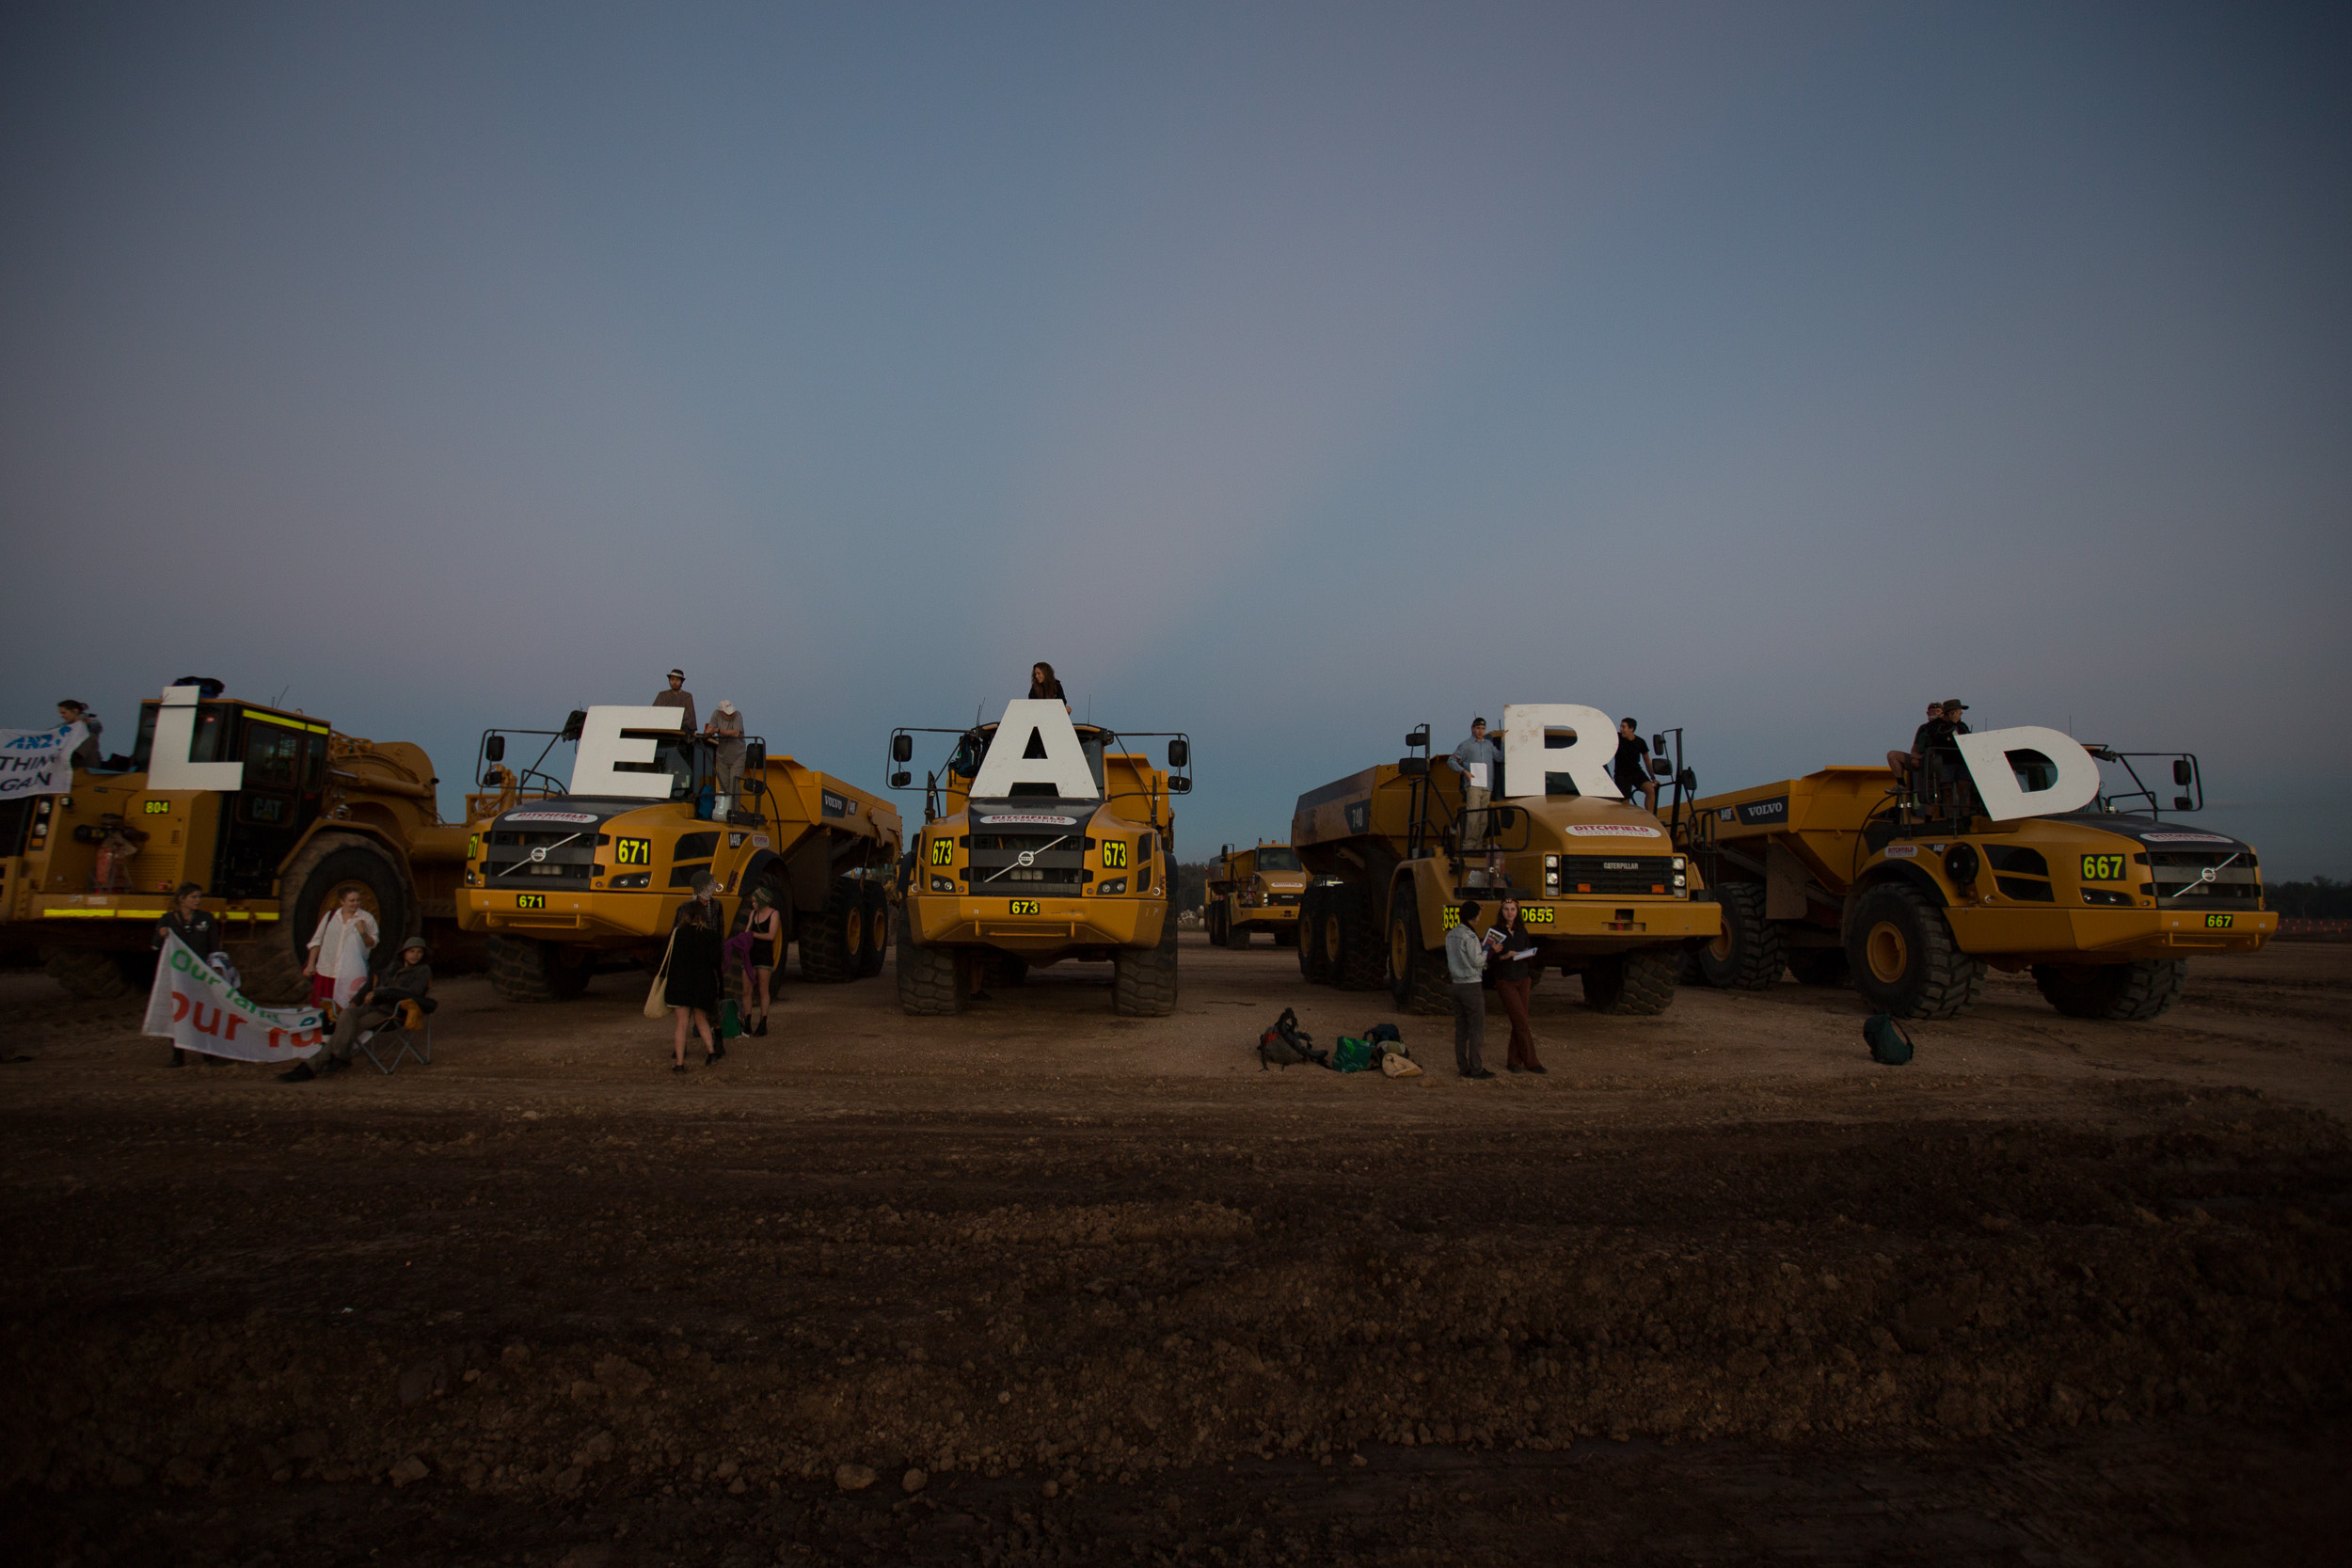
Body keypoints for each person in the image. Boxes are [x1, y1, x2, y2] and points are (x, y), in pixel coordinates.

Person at [278, 936, 433, 1082]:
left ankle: (311, 1066)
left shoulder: (423, 970)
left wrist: (378, 993)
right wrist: (355, 1001)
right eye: (412, 951)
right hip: (373, 1006)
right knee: (347, 1013)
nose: (415, 955)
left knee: (349, 1027)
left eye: (419, 952)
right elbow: (370, 986)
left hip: (392, 1011)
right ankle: (339, 1058)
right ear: (404, 953)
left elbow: (412, 993)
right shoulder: (393, 967)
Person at [153, 882, 222, 1068]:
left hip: (200, 974)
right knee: (178, 1012)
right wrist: (162, 935)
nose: (198, 901)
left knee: (203, 1012)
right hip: (177, 976)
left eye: (199, 897)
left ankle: (208, 1053)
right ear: (181, 899)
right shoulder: (167, 919)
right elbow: (156, 945)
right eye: (194, 897)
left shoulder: (206, 919)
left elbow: (214, 947)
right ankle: (178, 1056)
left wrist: (216, 967)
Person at [665, 897, 724, 1071]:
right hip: (702, 984)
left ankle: (680, 1064)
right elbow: (716, 961)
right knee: (701, 1019)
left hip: (680, 984)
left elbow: (667, 958)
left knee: (681, 1024)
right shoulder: (710, 936)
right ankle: (711, 1053)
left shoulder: (678, 935)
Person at [1488, 895, 1545, 1073]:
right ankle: (1532, 1062)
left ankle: (1513, 1061)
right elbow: (1488, 958)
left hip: (1523, 978)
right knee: (1520, 1021)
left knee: (1519, 1020)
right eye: (1506, 909)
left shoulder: (1522, 930)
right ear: (1501, 911)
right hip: (1506, 980)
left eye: (1513, 909)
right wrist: (1505, 956)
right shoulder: (1495, 932)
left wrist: (1527, 954)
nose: (1510, 912)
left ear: (1517, 911)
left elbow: (1527, 948)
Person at [303, 888, 378, 1013]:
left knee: (344, 1010)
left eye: (358, 900)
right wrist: (310, 965)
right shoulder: (330, 916)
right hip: (326, 971)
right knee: (322, 1010)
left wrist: (362, 932)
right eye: (351, 900)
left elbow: (373, 943)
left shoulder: (366, 918)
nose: (356, 903)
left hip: (349, 974)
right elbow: (317, 940)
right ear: (342, 902)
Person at [1446, 899, 1496, 1079]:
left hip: (1456, 984)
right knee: (1476, 1028)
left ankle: (1463, 1067)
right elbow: (1477, 961)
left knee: (1461, 1029)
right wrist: (1490, 950)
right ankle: (1476, 1068)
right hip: (1471, 985)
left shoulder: (1451, 935)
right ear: (1474, 917)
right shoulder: (1470, 936)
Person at [1449, 718, 1502, 851]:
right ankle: (1468, 845)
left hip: (1487, 786)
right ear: (1472, 728)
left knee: (1483, 817)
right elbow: (1451, 760)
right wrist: (1464, 772)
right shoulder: (1466, 745)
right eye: (1478, 728)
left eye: (1483, 729)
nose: (1480, 731)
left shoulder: (1489, 745)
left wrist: (1504, 743)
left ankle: (1478, 844)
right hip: (1473, 784)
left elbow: (1500, 758)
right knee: (1473, 815)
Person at [742, 884, 783, 1037]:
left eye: (755, 901)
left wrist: (753, 935)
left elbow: (771, 936)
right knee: (746, 990)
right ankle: (747, 1021)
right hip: (750, 955)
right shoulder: (753, 914)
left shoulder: (774, 914)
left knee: (763, 990)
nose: (753, 904)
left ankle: (763, 1021)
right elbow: (747, 931)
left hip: (764, 956)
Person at [1887, 702, 1944, 785]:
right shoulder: (1923, 728)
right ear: (1928, 713)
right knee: (1892, 755)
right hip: (1920, 760)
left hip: (1936, 761)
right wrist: (1914, 757)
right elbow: (1915, 746)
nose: (1935, 713)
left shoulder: (1945, 728)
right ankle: (1901, 784)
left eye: (1938, 711)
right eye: (1933, 711)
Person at [707, 700, 746, 813]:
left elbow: (736, 733)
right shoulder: (716, 715)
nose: (731, 715)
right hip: (722, 756)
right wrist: (709, 732)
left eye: (731, 712)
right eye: (728, 713)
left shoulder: (738, 715)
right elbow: (711, 728)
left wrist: (718, 730)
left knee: (734, 783)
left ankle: (734, 812)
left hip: (738, 755)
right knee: (724, 786)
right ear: (721, 713)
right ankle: (723, 811)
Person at [1613, 719, 1657, 814]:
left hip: (1636, 772)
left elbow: (1647, 761)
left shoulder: (1640, 742)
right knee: (1624, 803)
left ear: (1631, 729)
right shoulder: (1617, 738)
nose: (1621, 729)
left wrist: (1653, 778)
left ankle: (1650, 818)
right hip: (1622, 775)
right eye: (1620, 727)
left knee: (1650, 790)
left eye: (1623, 727)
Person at [57, 701, 103, 770]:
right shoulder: (63, 727)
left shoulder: (91, 722)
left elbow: (95, 728)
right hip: (67, 763)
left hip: (87, 762)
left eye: (64, 713)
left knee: (89, 736)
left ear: (75, 711)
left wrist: (84, 723)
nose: (62, 716)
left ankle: (73, 756)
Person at [652, 668, 698, 734]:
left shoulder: (687, 696)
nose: (674, 682)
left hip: (681, 733)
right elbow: (654, 713)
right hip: (662, 731)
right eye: (672, 679)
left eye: (677, 680)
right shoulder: (662, 695)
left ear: (681, 682)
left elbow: (691, 721)